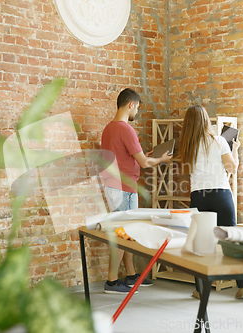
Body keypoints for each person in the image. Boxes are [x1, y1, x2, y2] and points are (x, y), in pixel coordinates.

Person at [101, 88, 172, 294]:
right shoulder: (126, 129)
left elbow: (128, 157)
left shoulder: (109, 128)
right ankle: (112, 282)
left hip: (117, 186)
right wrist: (160, 159)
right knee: (122, 235)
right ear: (131, 105)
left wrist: (144, 155)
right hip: (123, 188)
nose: (137, 113)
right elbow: (145, 163)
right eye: (137, 108)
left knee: (126, 233)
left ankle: (131, 275)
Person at [178, 105, 243, 300]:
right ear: (206, 121)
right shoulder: (219, 141)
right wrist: (235, 149)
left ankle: (200, 290)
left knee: (200, 242)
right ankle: (242, 287)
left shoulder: (186, 146)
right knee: (232, 240)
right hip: (220, 193)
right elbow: (232, 168)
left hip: (198, 196)